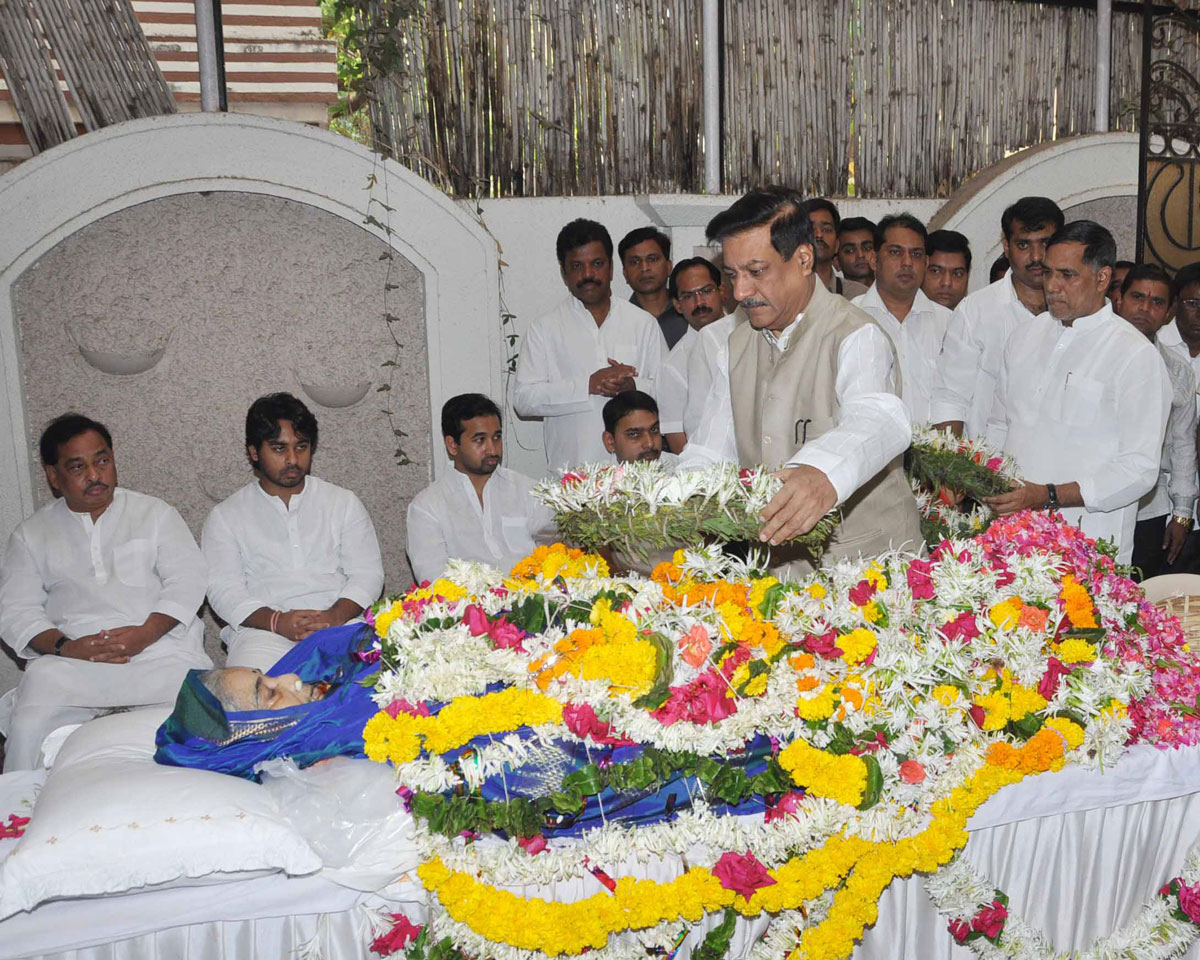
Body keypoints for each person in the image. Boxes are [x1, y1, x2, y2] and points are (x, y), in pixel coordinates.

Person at [682, 186, 921, 574]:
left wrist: (821, 473)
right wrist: (667, 504)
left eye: (756, 272)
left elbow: (880, 418)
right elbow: (710, 452)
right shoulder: (734, 344)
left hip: (868, 572)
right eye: (732, 275)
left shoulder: (856, 333)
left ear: (804, 259)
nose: (741, 292)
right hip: (779, 575)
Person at [0, 414, 209, 771]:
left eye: (102, 460)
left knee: (201, 701)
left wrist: (144, 634)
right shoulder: (31, 535)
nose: (95, 475)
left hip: (157, 653)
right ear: (54, 476)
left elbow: (188, 580)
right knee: (29, 719)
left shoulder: (154, 514)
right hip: (74, 663)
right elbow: (16, 611)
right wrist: (69, 647)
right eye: (78, 466)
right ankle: (18, 815)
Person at [983, 221, 1170, 565]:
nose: (1052, 286)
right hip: (1012, 537)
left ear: (1102, 279)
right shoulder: (1024, 338)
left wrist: (1048, 495)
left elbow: (1140, 469)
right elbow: (999, 425)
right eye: (1048, 273)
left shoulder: (1134, 355)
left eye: (1067, 275)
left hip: (1088, 544)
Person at [202, 393, 384, 673]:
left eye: (301, 447)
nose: (292, 459)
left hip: (340, 623)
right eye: (279, 449)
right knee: (251, 695)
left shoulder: (342, 502)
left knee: (378, 688)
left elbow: (368, 574)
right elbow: (223, 589)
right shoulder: (226, 516)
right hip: (263, 633)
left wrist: (333, 616)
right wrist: (277, 621)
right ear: (254, 452)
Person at [514, 219, 665, 471]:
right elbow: (524, 399)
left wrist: (633, 386)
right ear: (563, 272)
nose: (588, 275)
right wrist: (587, 385)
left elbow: (666, 389)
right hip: (572, 479)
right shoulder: (544, 329)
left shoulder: (643, 323)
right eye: (576, 266)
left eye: (597, 264)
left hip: (636, 478)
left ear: (611, 267)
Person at [155, 622, 376, 780]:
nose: (293, 678)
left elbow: (331, 645)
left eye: (267, 676)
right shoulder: (336, 743)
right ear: (252, 731)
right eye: (270, 694)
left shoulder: (311, 689)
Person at [932, 197, 1065, 439]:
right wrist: (948, 471)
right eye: (1024, 245)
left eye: (1044, 243)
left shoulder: (1077, 311)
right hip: (987, 466)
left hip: (1057, 468)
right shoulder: (976, 311)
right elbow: (950, 397)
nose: (1036, 257)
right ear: (1006, 246)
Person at [406, 393, 553, 583]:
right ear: (452, 445)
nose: (492, 449)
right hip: (466, 609)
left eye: (497, 437)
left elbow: (557, 556)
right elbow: (434, 581)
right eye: (480, 440)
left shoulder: (529, 491)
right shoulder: (427, 507)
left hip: (536, 603)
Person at [1117, 265, 1199, 578]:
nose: (1145, 308)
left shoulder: (1177, 370)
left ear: (1168, 313)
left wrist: (1181, 514)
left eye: (1157, 302)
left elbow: (1183, 444)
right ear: (1119, 300)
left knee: (1141, 597)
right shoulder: (1090, 357)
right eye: (1137, 297)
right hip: (1088, 500)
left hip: (1150, 506)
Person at [852, 213, 952, 423]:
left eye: (916, 255)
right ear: (873, 259)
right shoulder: (848, 319)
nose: (907, 263)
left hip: (938, 454)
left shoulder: (950, 324)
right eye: (896, 252)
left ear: (925, 263)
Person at [657, 257, 727, 452]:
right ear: (678, 305)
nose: (699, 302)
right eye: (688, 296)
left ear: (722, 292)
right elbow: (679, 444)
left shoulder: (752, 332)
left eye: (706, 291)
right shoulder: (672, 367)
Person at [619, 227, 688, 350]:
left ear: (669, 267)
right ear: (625, 274)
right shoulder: (617, 321)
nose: (644, 268)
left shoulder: (690, 312)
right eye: (634, 262)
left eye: (652, 259)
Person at [809, 199, 868, 299]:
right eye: (811, 229)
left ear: (837, 244)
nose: (819, 235)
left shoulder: (859, 296)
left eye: (826, 230)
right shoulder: (783, 294)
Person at [602, 390, 666, 463]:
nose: (650, 443)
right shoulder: (596, 474)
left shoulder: (677, 469)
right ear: (610, 442)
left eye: (654, 430)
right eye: (634, 434)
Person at [922, 229, 972, 310]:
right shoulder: (900, 319)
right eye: (936, 271)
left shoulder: (980, 320)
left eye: (957, 274)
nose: (947, 283)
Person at [836, 216, 876, 287]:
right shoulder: (830, 297)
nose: (860, 255)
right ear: (836, 262)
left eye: (868, 248)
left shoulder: (897, 295)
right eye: (850, 251)